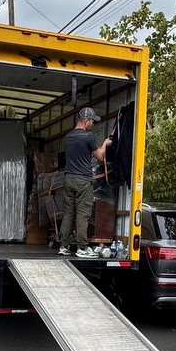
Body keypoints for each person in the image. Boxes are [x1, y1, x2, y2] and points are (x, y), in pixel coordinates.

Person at [59, 107, 112, 258]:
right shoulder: (88, 137)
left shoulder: (68, 137)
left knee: (68, 213)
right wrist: (105, 144)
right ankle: (82, 248)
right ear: (86, 120)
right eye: (92, 121)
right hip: (83, 181)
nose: (93, 124)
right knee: (83, 215)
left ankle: (63, 246)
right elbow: (100, 156)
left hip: (68, 179)